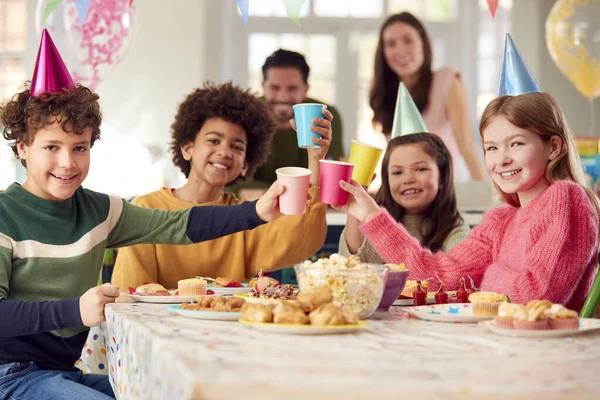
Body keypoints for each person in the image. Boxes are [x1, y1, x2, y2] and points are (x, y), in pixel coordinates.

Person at [0, 30, 285, 400]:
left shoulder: (102, 211)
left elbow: (180, 224)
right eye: (51, 147)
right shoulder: (5, 216)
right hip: (9, 375)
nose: (67, 162)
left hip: (60, 373)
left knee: (166, 393)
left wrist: (257, 212)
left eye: (80, 147)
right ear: (23, 148)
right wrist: (73, 310)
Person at [335, 92, 600, 311]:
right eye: (492, 148)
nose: (502, 159)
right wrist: (372, 216)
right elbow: (436, 278)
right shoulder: (500, 221)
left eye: (516, 144)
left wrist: (485, 280)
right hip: (502, 346)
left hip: (548, 354)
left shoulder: (565, 199)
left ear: (553, 147)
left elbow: (534, 301)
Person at [111, 81, 331, 290]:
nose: (225, 152)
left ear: (245, 164)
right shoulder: (146, 208)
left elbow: (301, 238)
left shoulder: (249, 217)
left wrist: (315, 157)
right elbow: (129, 296)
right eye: (214, 141)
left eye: (237, 147)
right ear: (188, 149)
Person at [369, 12, 486, 182]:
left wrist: (489, 197)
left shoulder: (446, 80)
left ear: (423, 43)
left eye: (408, 40)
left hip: (444, 194)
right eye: (391, 44)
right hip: (405, 195)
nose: (401, 51)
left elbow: (466, 147)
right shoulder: (385, 95)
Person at [338, 133, 469, 262]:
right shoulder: (375, 221)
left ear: (442, 177)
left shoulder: (455, 229)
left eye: (420, 169)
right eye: (397, 172)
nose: (408, 179)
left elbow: (456, 273)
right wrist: (354, 205)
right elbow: (350, 266)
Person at [232, 49, 344, 198]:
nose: (283, 97)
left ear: (305, 89)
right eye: (275, 87)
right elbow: (229, 181)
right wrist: (291, 192)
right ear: (263, 86)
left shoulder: (325, 115)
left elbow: (332, 182)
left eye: (292, 88)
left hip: (307, 210)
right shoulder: (243, 114)